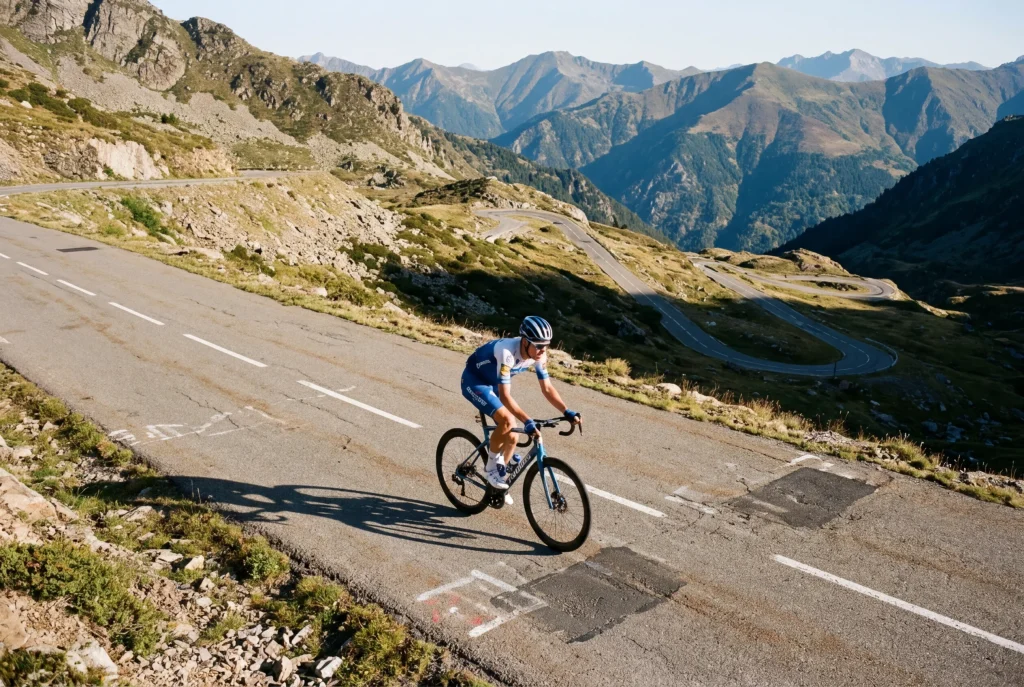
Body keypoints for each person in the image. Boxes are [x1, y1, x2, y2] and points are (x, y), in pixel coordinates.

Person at [461, 315, 582, 490]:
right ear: (525, 341)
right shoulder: (507, 352)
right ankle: (491, 469)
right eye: (539, 346)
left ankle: (497, 486)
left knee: (513, 435)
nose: (542, 350)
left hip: (493, 383)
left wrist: (566, 411)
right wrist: (527, 420)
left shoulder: (539, 355)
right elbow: (505, 396)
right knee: (509, 421)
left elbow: (547, 388)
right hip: (475, 381)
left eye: (546, 345)